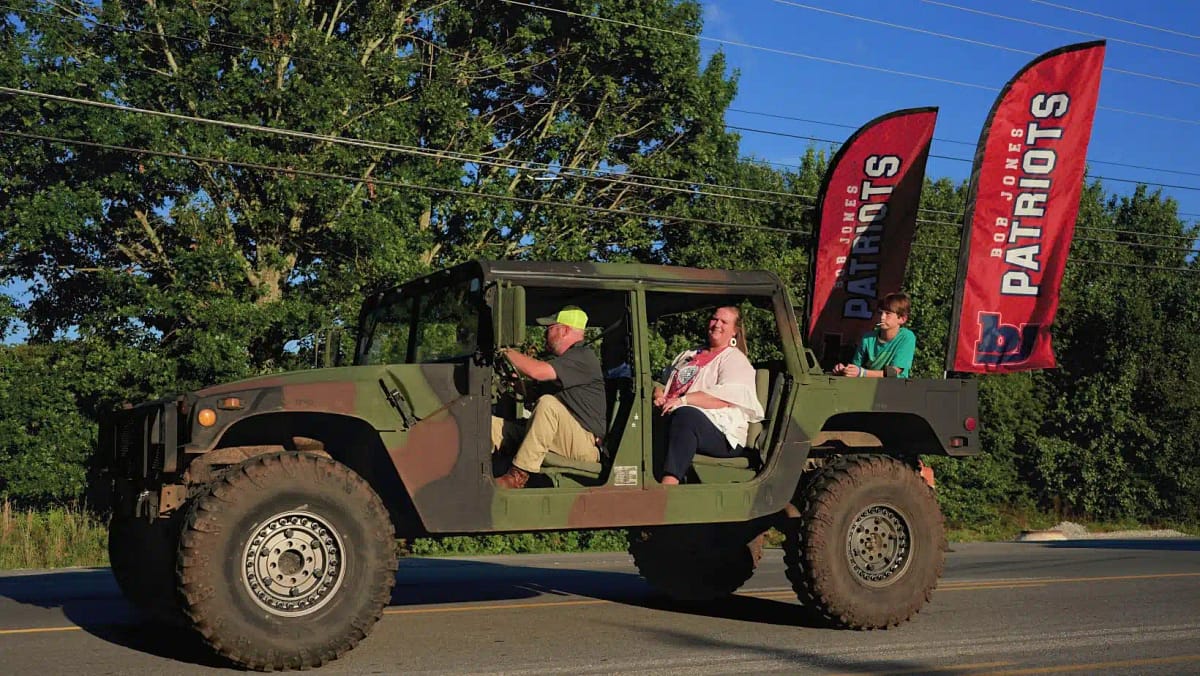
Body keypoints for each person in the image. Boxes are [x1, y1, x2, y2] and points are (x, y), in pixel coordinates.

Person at [491, 305, 607, 489]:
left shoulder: (582, 356)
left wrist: (504, 351)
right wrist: (517, 384)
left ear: (565, 330)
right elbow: (532, 390)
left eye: (550, 329)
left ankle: (518, 475)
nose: (545, 334)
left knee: (548, 405)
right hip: (559, 436)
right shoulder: (564, 363)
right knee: (492, 426)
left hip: (584, 444)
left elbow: (537, 372)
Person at [654, 306, 764, 485]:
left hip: (721, 432)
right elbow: (661, 382)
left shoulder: (735, 359)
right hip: (673, 413)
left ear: (735, 331)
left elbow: (724, 398)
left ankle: (669, 484)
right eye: (714, 319)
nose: (717, 324)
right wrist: (658, 395)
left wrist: (683, 400)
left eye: (724, 322)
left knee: (686, 415)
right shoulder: (689, 354)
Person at [833, 292, 916, 379]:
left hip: (896, 386)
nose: (882, 317)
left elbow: (894, 372)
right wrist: (845, 370)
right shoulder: (867, 338)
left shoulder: (907, 337)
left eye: (888, 313)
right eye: (880, 313)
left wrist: (862, 373)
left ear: (902, 319)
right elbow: (856, 368)